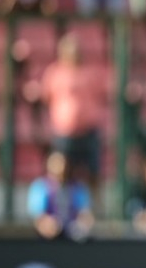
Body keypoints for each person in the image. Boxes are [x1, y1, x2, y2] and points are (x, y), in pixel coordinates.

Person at [40, 34, 107, 197]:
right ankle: (59, 205)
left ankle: (95, 209)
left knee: (93, 173)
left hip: (88, 130)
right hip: (64, 133)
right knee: (60, 172)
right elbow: (46, 96)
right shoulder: (54, 73)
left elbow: (101, 95)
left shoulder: (90, 73)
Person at [27, 152, 94, 241]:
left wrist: (83, 224)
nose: (60, 167)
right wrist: (49, 225)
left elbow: (85, 213)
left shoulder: (78, 187)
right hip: (48, 236)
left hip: (73, 234)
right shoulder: (40, 186)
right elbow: (38, 216)